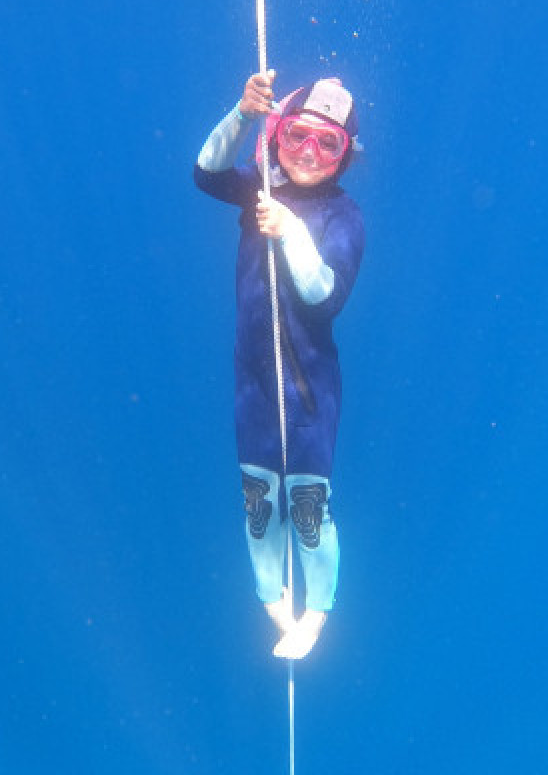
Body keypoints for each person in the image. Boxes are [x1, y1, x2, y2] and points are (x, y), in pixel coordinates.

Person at [193, 71, 365, 660]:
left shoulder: (344, 218)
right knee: (259, 498)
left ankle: (316, 614)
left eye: (327, 144)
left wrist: (291, 231)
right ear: (278, 137)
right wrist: (242, 114)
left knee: (307, 505)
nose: (309, 155)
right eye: (297, 138)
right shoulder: (260, 187)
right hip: (254, 380)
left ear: (345, 156)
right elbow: (207, 171)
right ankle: (271, 597)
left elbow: (324, 294)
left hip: (310, 385)